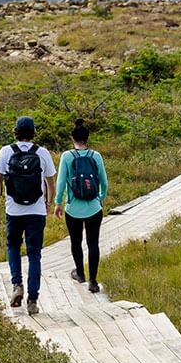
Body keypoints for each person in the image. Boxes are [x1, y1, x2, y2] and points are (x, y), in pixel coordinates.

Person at [0, 115, 55, 315]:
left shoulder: (6, 151)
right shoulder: (42, 153)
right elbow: (51, 182)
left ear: (15, 132)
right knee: (35, 254)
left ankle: (17, 285)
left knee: (13, 247)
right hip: (36, 211)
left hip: (13, 210)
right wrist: (48, 203)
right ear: (34, 133)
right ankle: (33, 300)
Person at [54, 118, 108, 293]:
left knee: (76, 242)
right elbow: (104, 182)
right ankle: (93, 281)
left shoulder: (67, 156)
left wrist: (57, 203)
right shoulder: (96, 156)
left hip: (73, 209)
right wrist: (100, 198)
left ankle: (80, 273)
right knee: (93, 243)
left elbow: (61, 182)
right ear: (87, 138)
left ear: (73, 138)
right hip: (94, 208)